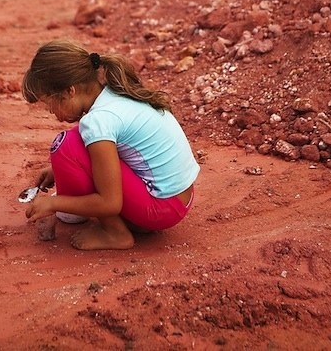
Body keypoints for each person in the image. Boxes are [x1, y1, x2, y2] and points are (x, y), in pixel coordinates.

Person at [21, 39, 200, 250]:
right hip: (179, 199)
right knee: (77, 144)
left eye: (48, 103)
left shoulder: (98, 121)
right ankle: (131, 221)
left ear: (70, 91)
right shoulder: (113, 95)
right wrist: (59, 170)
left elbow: (110, 203)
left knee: (66, 146)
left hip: (161, 208)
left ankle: (115, 233)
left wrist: (53, 203)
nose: (51, 111)